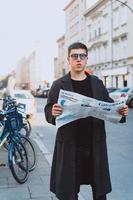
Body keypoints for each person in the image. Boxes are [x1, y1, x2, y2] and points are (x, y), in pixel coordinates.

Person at [44, 42, 128, 200]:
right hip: (70, 146)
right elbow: (48, 109)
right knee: (69, 191)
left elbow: (109, 106)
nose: (78, 59)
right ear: (68, 59)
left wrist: (121, 111)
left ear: (86, 59)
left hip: (94, 144)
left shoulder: (96, 83)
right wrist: (53, 112)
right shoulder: (58, 85)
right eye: (74, 56)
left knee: (99, 192)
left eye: (82, 56)